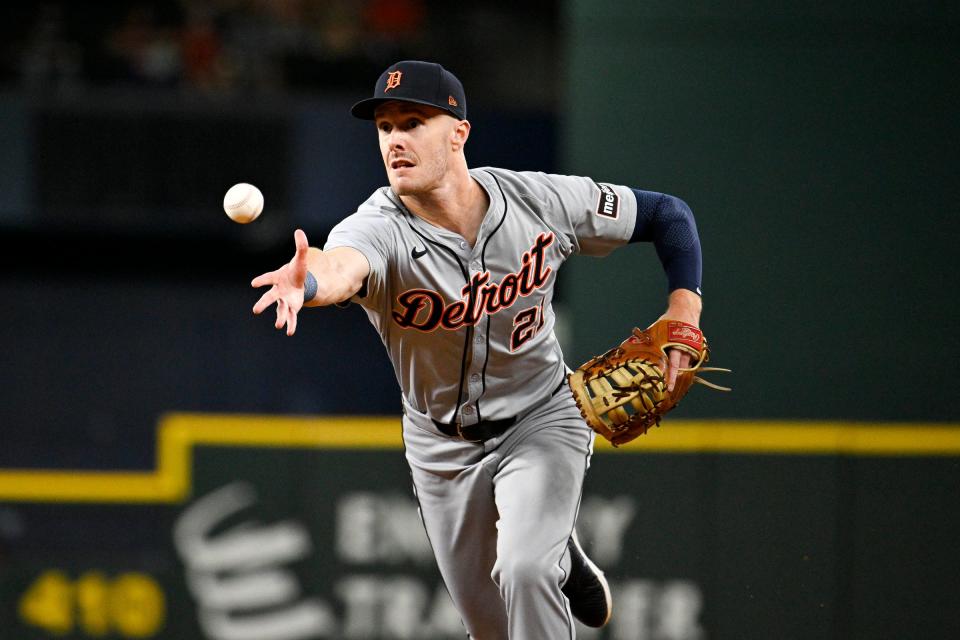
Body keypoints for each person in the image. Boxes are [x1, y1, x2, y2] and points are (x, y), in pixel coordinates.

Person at [252, 60, 704, 638]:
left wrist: (683, 312)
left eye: (413, 122)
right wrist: (308, 281)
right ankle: (560, 550)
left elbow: (669, 215)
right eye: (385, 127)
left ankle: (548, 553)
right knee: (490, 628)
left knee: (523, 569)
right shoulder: (377, 227)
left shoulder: (539, 200)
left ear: (458, 132)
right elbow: (340, 265)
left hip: (542, 417)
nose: (395, 140)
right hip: (441, 447)